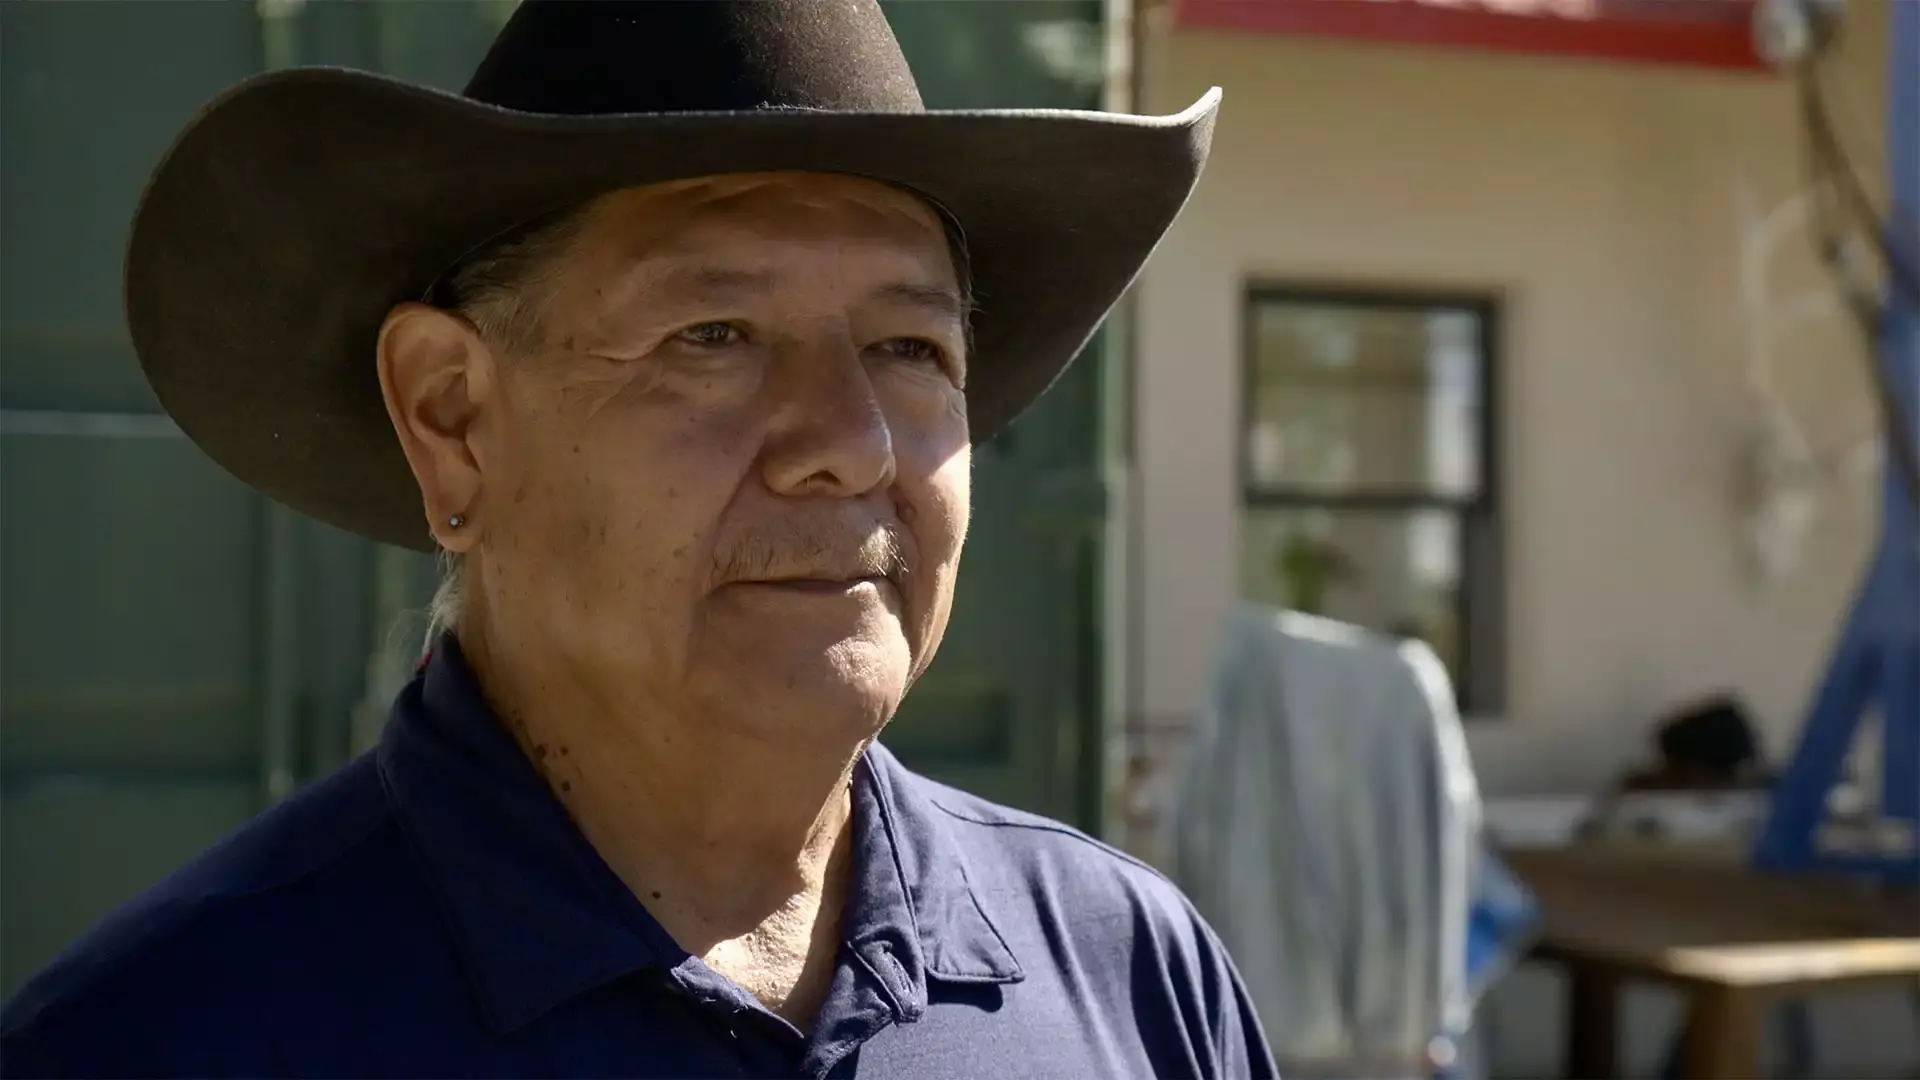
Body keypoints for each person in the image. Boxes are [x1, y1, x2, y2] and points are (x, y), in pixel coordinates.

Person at [0, 2, 1269, 1077]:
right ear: (453, 422)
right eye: (712, 336)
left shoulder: (1131, 982)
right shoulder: (170, 1037)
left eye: (909, 349)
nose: (853, 443)